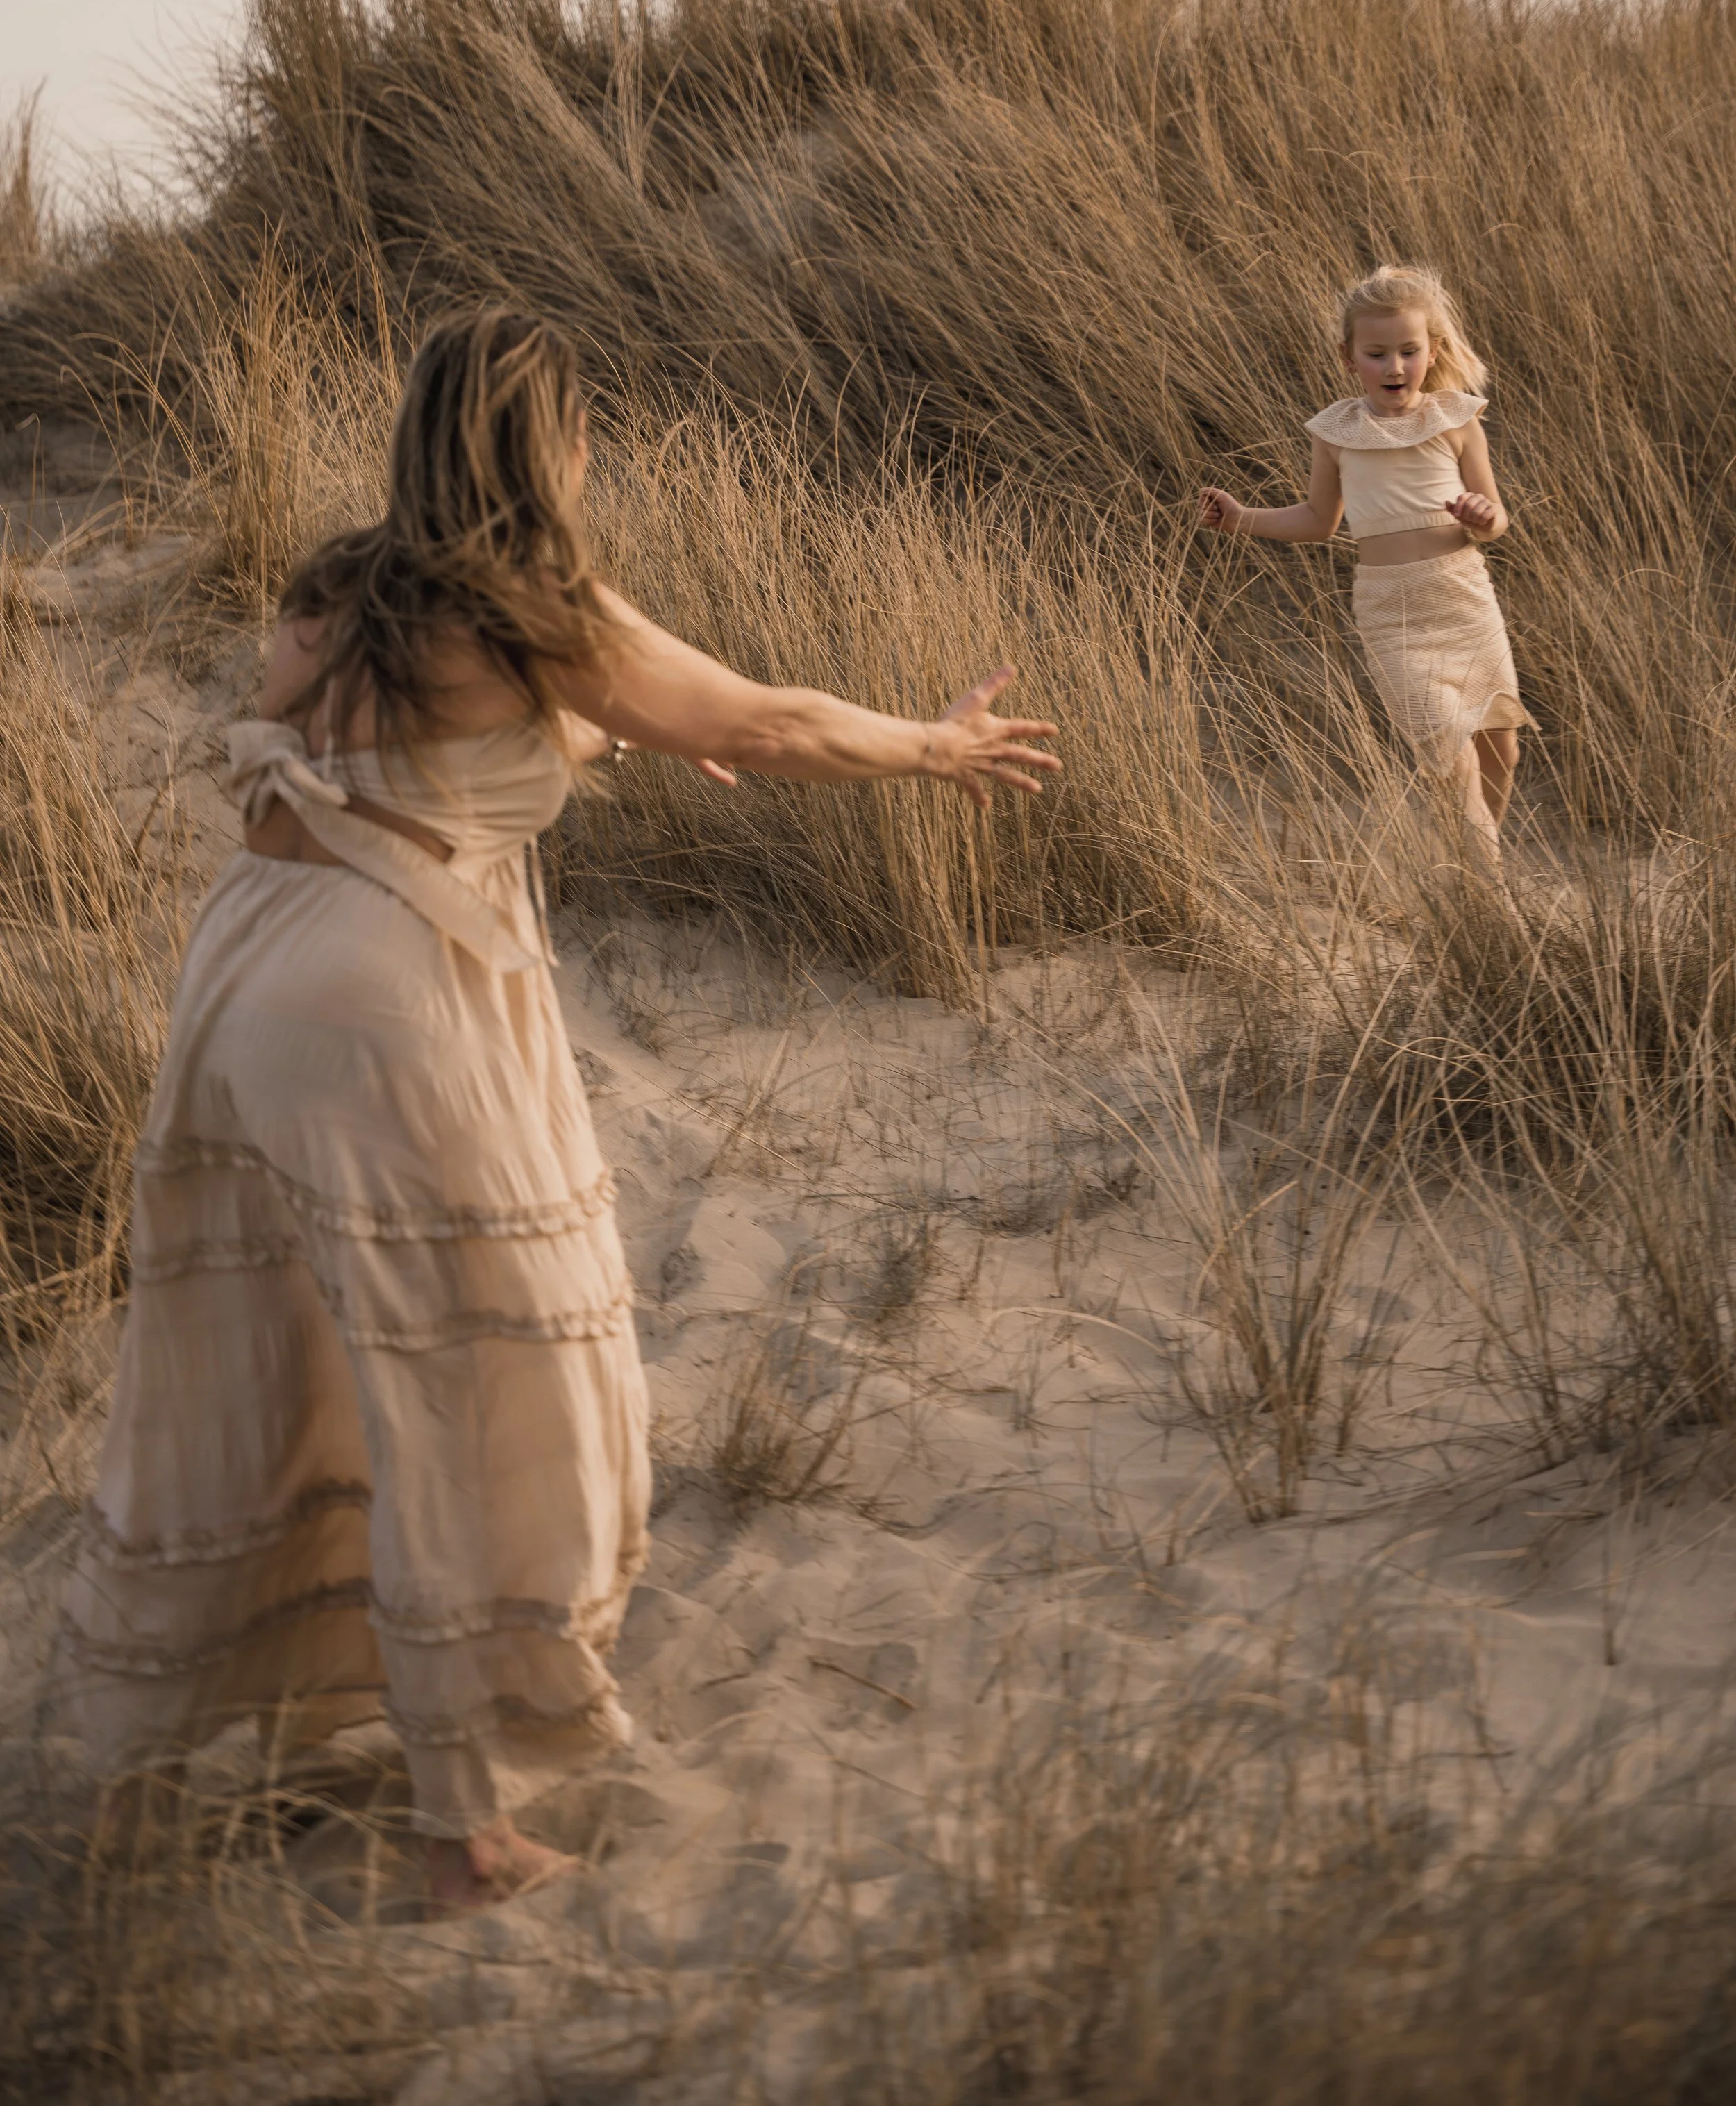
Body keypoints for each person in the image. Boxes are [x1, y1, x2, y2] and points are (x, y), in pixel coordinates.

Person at [59, 308, 1060, 1909]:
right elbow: (769, 720)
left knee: (249, 1355)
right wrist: (933, 745)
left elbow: (386, 751)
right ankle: (467, 1811)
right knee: (490, 1370)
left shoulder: (338, 587)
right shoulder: (536, 601)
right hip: (387, 1001)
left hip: (242, 975)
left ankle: (152, 1771)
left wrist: (589, 728)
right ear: (553, 440)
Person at [1198, 264, 1533, 861]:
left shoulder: (1456, 421)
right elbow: (1318, 520)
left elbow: (1499, 519)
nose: (1395, 367)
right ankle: (1492, 891)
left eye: (1409, 351)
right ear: (1349, 357)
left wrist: (1485, 517)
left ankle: (1473, 861)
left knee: (1499, 750)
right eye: (1377, 354)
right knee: (1449, 762)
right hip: (1393, 615)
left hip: (1465, 599)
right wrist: (1241, 517)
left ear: (1433, 352)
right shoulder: (1337, 432)